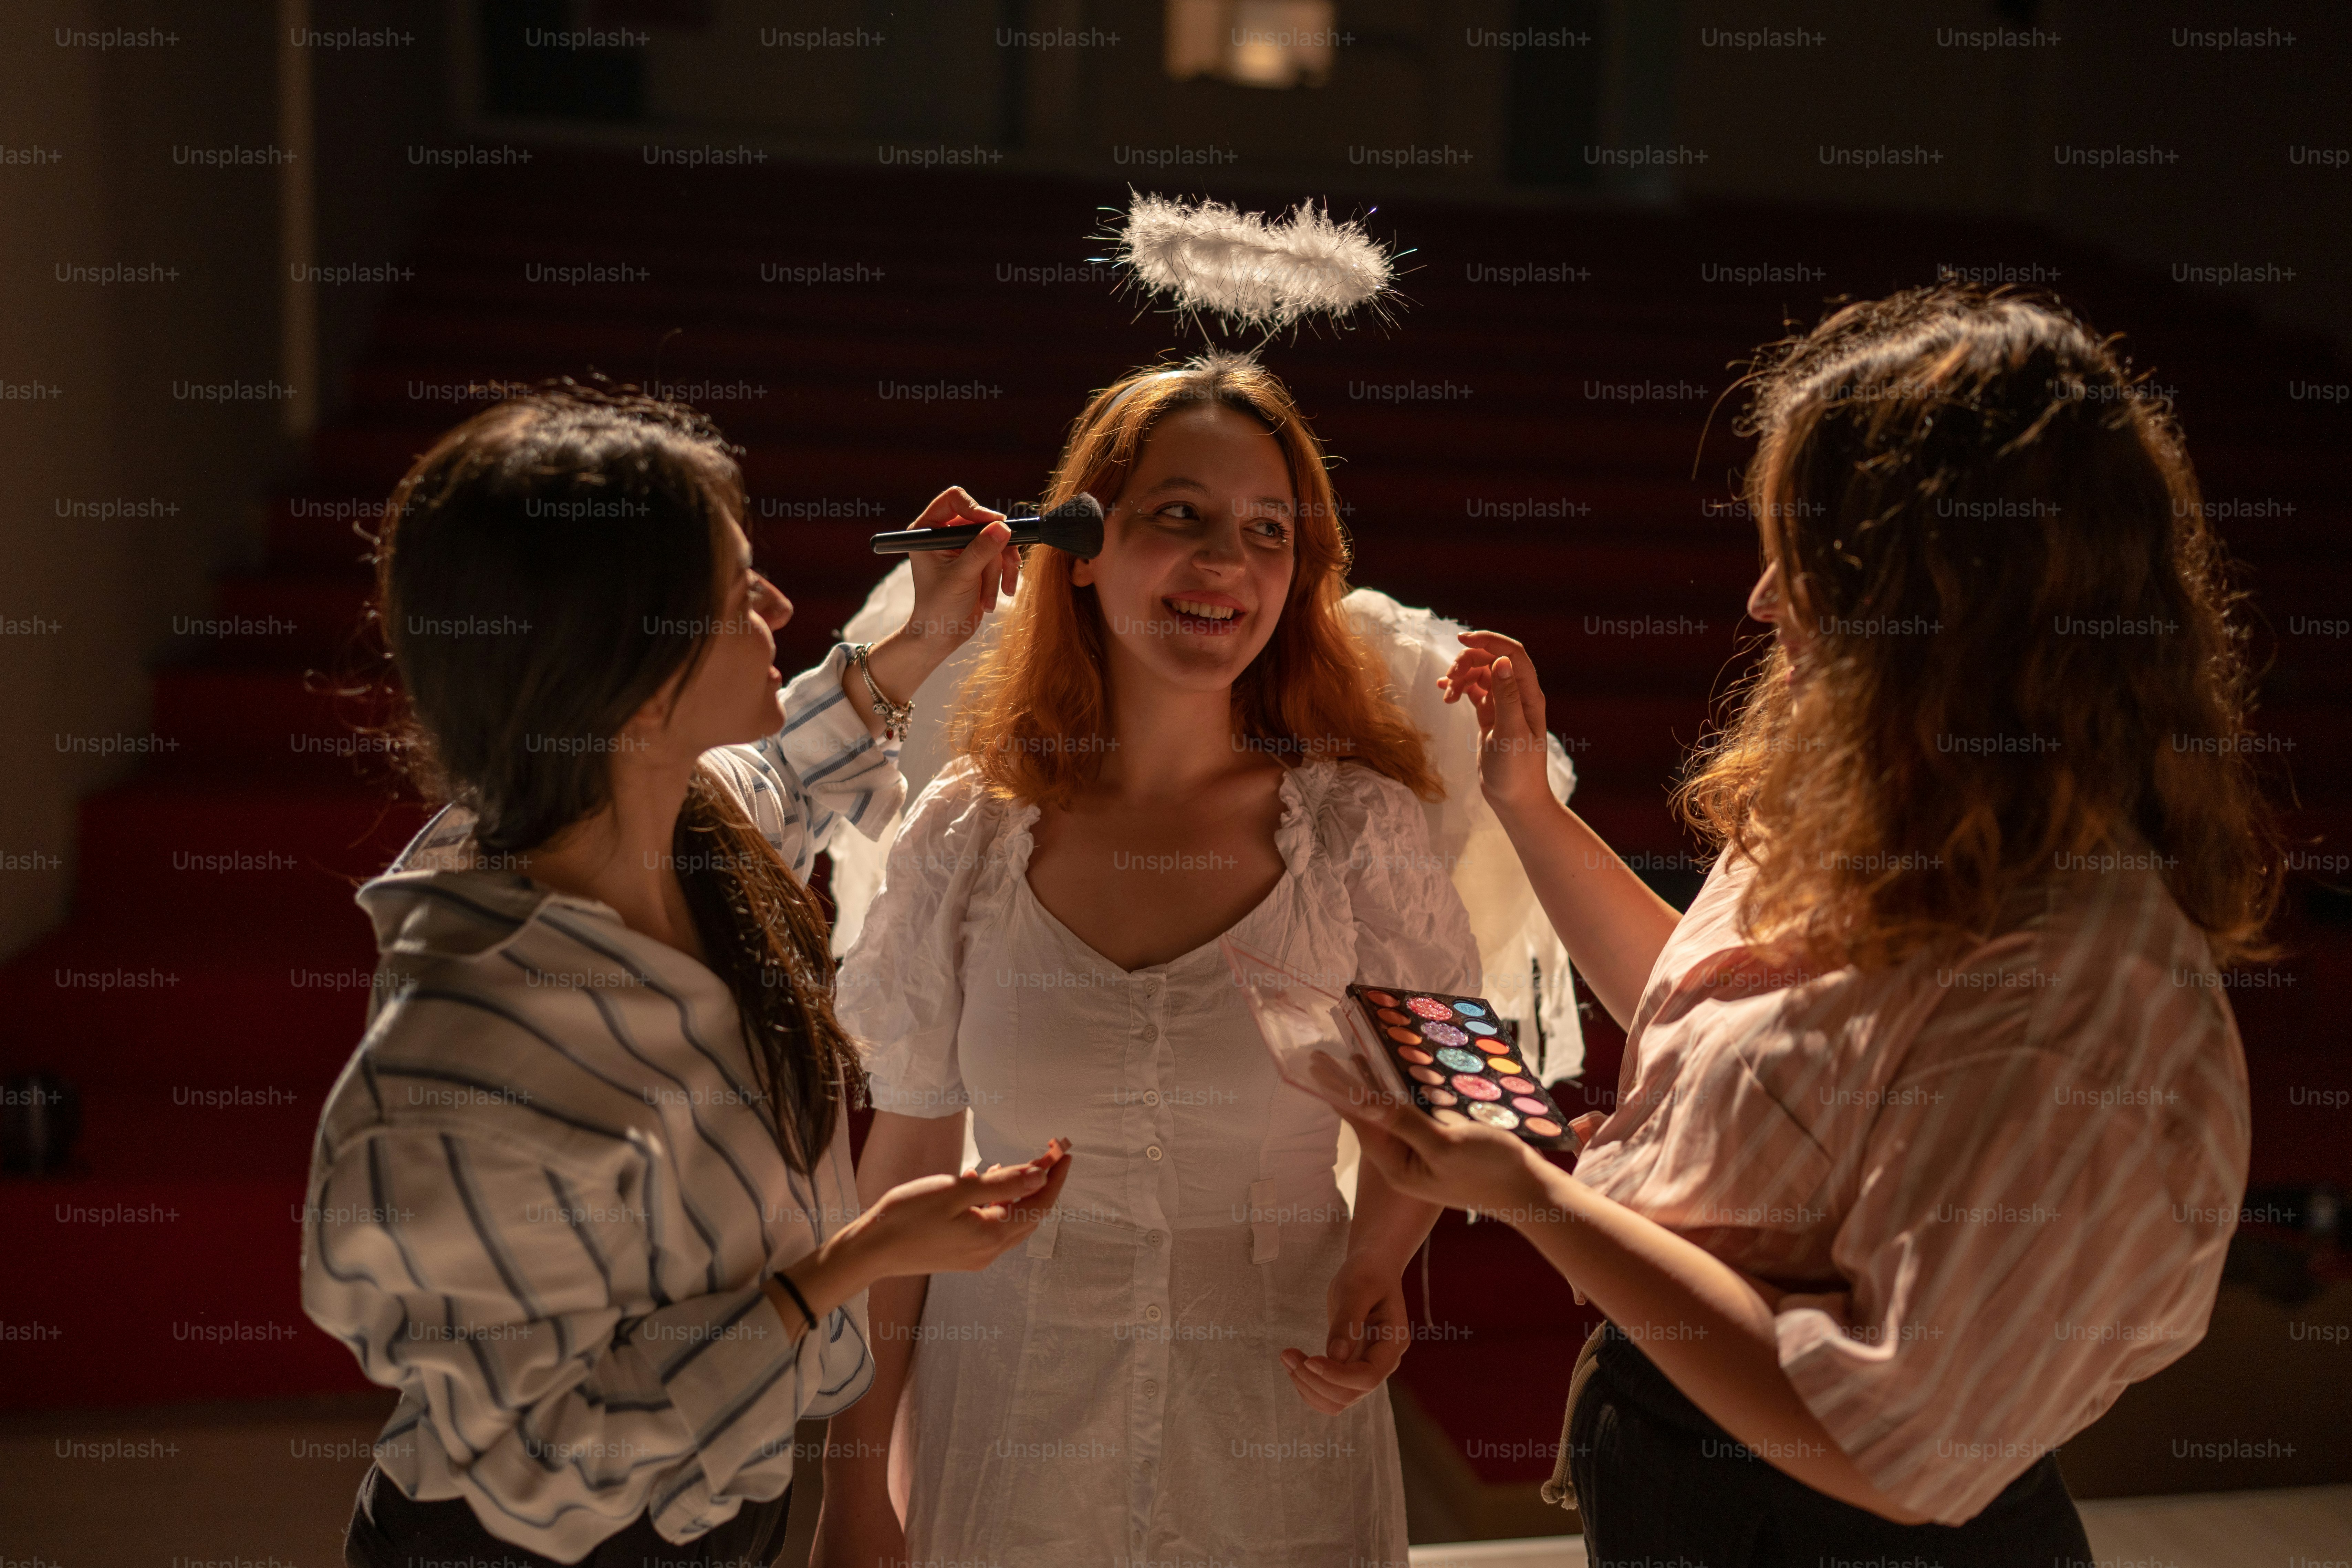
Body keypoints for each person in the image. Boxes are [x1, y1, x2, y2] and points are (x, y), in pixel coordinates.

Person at [1322, 286, 2279, 1566]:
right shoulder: (1901, 797)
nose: (1766, 602)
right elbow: (1721, 1005)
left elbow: (1891, 1446)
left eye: (1807, 556)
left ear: (1949, 594)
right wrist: (1527, 808)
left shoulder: (2072, 986)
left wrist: (1546, 1198)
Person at [299, 384, 1070, 1567]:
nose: (776, 603)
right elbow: (552, 1457)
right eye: (735, 590)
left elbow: (787, 774)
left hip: (719, 1517)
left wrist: (925, 637)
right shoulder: (480, 1028)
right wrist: (855, 1260)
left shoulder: (678, 820)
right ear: (638, 669)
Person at [814, 354, 1479, 1568]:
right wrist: (854, 1493)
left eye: (1266, 529)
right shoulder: (966, 836)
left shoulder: (1357, 830)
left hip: (1277, 1447)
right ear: (1083, 545)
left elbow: (1447, 1090)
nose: (1227, 562)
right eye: (1182, 515)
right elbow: (901, 1177)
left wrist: (1381, 1257)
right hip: (1007, 1441)